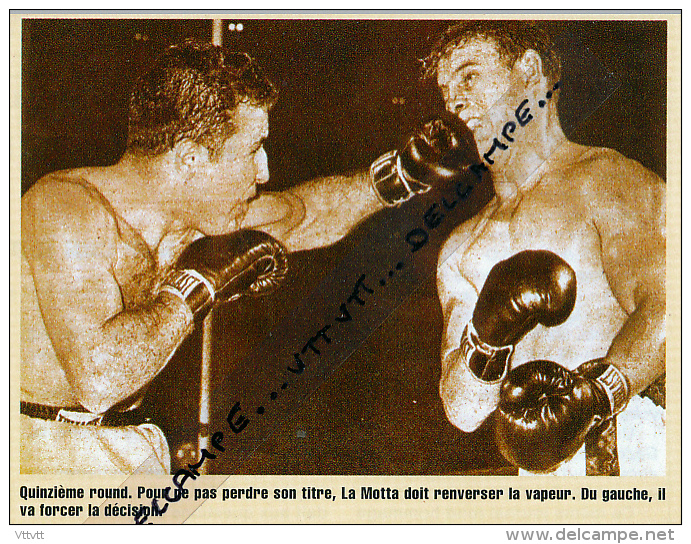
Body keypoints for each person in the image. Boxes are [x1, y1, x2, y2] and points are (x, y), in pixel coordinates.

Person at [20, 38, 473, 474]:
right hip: (35, 447)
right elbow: (100, 381)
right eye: (253, 150)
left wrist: (405, 172)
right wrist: (194, 288)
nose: (264, 171)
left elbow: (305, 214)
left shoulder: (195, 218)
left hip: (130, 441)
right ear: (192, 159)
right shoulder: (66, 208)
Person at [429, 21, 666, 475]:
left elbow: (673, 306)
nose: (454, 102)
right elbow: (461, 410)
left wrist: (596, 397)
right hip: (538, 474)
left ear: (530, 71)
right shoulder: (461, 248)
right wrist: (488, 337)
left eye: (469, 76)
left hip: (633, 448)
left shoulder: (606, 180)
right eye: (445, 91)